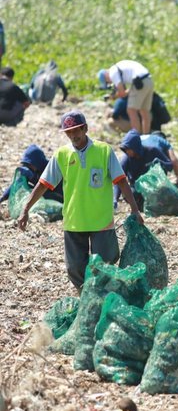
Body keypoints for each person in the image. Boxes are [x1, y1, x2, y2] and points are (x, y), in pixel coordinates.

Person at [17, 110, 143, 291]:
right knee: (75, 268)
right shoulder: (62, 155)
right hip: (75, 220)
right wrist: (26, 209)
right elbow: (43, 184)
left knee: (105, 263)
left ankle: (102, 295)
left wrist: (135, 209)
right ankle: (85, 297)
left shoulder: (103, 151)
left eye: (76, 130)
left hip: (101, 220)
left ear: (85, 128)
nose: (73, 135)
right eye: (68, 132)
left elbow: (121, 181)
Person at [114, 129, 174, 211]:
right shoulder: (127, 158)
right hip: (138, 190)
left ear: (135, 147)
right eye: (125, 149)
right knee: (131, 194)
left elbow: (170, 166)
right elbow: (119, 178)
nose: (127, 151)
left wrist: (161, 163)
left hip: (155, 187)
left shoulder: (152, 151)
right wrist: (115, 198)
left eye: (129, 149)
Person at [98, 60, 153, 134]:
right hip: (148, 80)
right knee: (144, 111)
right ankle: (146, 135)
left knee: (131, 110)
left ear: (106, 76)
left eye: (107, 82)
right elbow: (126, 92)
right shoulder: (118, 67)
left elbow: (122, 93)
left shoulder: (112, 73)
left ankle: (135, 137)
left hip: (139, 82)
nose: (110, 83)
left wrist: (113, 97)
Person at [106, 92, 171, 134]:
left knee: (110, 121)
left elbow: (115, 116)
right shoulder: (138, 94)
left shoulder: (121, 101)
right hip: (152, 124)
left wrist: (110, 113)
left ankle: (137, 134)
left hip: (139, 126)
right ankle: (147, 132)